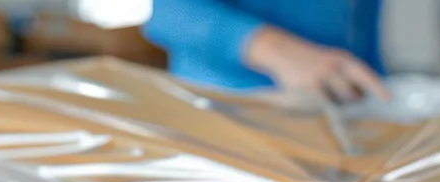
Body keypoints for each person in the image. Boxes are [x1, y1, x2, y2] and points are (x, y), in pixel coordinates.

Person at [142, 0, 390, 102]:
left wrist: (376, 91)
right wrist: (276, 50)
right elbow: (169, 12)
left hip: (331, 110)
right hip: (224, 110)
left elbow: (361, 28)